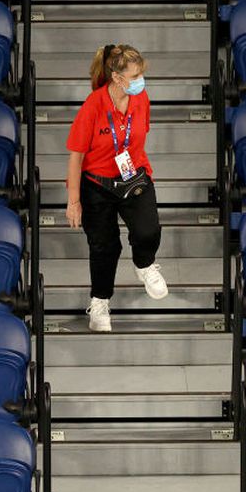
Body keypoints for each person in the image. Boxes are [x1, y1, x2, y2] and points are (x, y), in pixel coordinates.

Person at [65, 44, 167, 332]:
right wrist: (74, 201)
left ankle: (145, 265)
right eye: (134, 76)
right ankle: (99, 301)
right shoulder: (93, 106)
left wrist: (134, 166)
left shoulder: (141, 97)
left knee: (148, 230)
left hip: (133, 175)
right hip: (97, 184)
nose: (140, 81)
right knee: (104, 247)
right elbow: (76, 157)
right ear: (116, 77)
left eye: (140, 75)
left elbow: (139, 135)